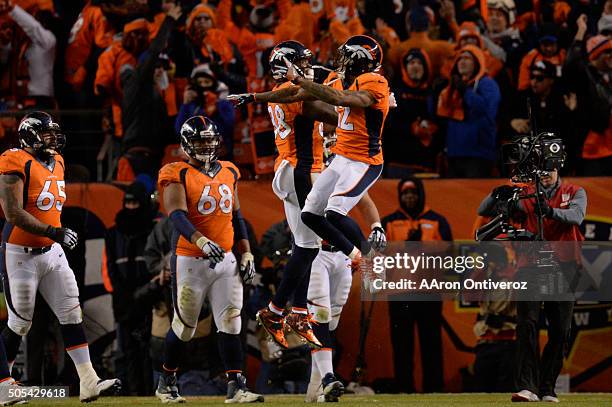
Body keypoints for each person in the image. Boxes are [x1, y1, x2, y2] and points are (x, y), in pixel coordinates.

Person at [0, 111, 121, 403]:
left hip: (51, 252)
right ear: (29, 135)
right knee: (20, 323)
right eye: (45, 133)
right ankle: (4, 386)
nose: (52, 138)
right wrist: (54, 231)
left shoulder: (58, 160)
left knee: (71, 313)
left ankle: (89, 381)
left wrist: (53, 235)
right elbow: (13, 212)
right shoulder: (14, 160)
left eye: (53, 132)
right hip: (20, 252)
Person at [155, 115, 262, 403]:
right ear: (187, 144)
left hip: (226, 259)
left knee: (231, 321)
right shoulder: (175, 172)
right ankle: (167, 380)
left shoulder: (229, 170)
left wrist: (247, 250)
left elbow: (236, 216)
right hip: (191, 259)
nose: (206, 147)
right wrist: (200, 240)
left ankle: (236, 385)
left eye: (210, 141)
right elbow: (176, 214)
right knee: (186, 326)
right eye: (200, 141)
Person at [478, 164, 586, 403]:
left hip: (564, 267)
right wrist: (504, 189)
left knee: (560, 330)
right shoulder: (524, 194)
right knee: (526, 325)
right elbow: (483, 208)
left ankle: (547, 387)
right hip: (530, 265)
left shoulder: (575, 191)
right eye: (541, 170)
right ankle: (528, 387)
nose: (546, 175)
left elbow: (576, 217)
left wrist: (549, 211)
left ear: (559, 168)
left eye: (550, 169)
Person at [286, 35, 390, 272]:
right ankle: (357, 255)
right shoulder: (340, 82)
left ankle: (371, 258)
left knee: (333, 212)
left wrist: (300, 80)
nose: (340, 61)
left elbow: (339, 98)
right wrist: (257, 97)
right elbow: (310, 102)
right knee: (310, 214)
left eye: (346, 56)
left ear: (359, 60)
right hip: (341, 158)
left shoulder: (373, 83)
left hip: (361, 160)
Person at [306, 193, 385, 403]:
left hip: (342, 254)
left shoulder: (344, 169)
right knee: (320, 315)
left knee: (331, 322)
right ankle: (327, 379)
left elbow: (365, 201)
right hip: (315, 252)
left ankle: (316, 386)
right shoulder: (306, 170)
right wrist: (365, 250)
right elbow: (327, 217)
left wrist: (376, 226)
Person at [382, 178, 452, 393]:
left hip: (429, 291)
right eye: (405, 194)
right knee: (402, 345)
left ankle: (435, 389)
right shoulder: (389, 222)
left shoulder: (437, 220)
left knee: (431, 343)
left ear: (420, 194)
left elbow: (449, 253)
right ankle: (404, 388)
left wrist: (423, 245)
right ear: (400, 196)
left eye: (413, 193)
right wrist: (406, 245)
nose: (409, 197)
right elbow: (379, 255)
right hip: (399, 292)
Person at [103, 181, 157, 396]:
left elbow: (155, 264)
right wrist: (121, 295)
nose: (132, 207)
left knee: (149, 350)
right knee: (126, 350)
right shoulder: (113, 233)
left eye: (136, 203)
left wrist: (148, 293)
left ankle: (148, 393)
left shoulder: (153, 229)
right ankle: (128, 393)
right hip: (123, 299)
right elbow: (109, 268)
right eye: (129, 203)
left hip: (149, 298)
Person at [436, 45, 501, 178]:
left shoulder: (487, 84)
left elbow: (487, 110)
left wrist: (466, 91)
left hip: (478, 153)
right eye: (460, 59)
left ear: (477, 62)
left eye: (467, 58)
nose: (462, 62)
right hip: (454, 152)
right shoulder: (452, 87)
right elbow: (439, 115)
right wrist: (435, 93)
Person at [564, 14, 612, 175]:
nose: (611, 56)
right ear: (596, 55)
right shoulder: (585, 76)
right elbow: (571, 63)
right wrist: (581, 31)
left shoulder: (608, 78)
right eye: (608, 52)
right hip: (592, 149)